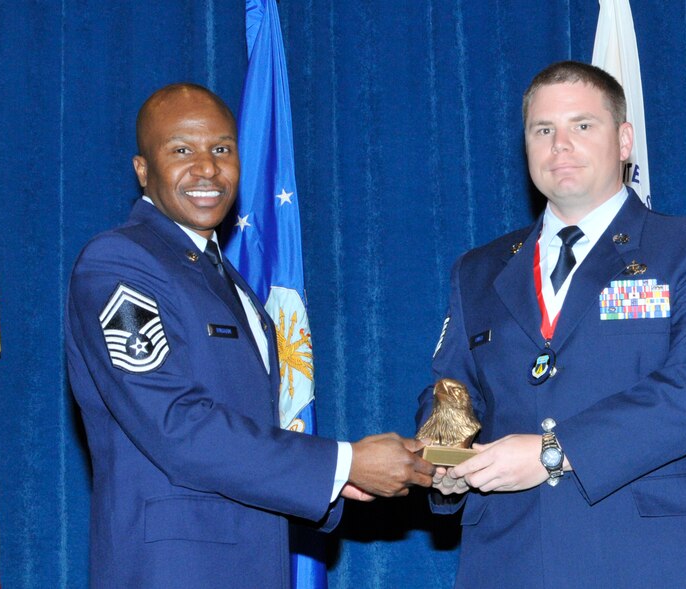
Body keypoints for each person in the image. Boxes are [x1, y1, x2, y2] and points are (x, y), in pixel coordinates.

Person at [65, 83, 434, 589]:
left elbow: (244, 430)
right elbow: (176, 425)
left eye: (221, 149)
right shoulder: (121, 264)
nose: (207, 168)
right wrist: (343, 462)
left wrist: (337, 479)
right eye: (181, 150)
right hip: (174, 573)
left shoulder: (223, 278)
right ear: (143, 171)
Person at [418, 61, 686, 588]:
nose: (560, 145)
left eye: (582, 126)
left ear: (623, 141)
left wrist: (555, 453)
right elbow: (452, 390)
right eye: (543, 130)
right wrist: (444, 458)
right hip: (507, 559)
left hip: (648, 559)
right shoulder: (478, 270)